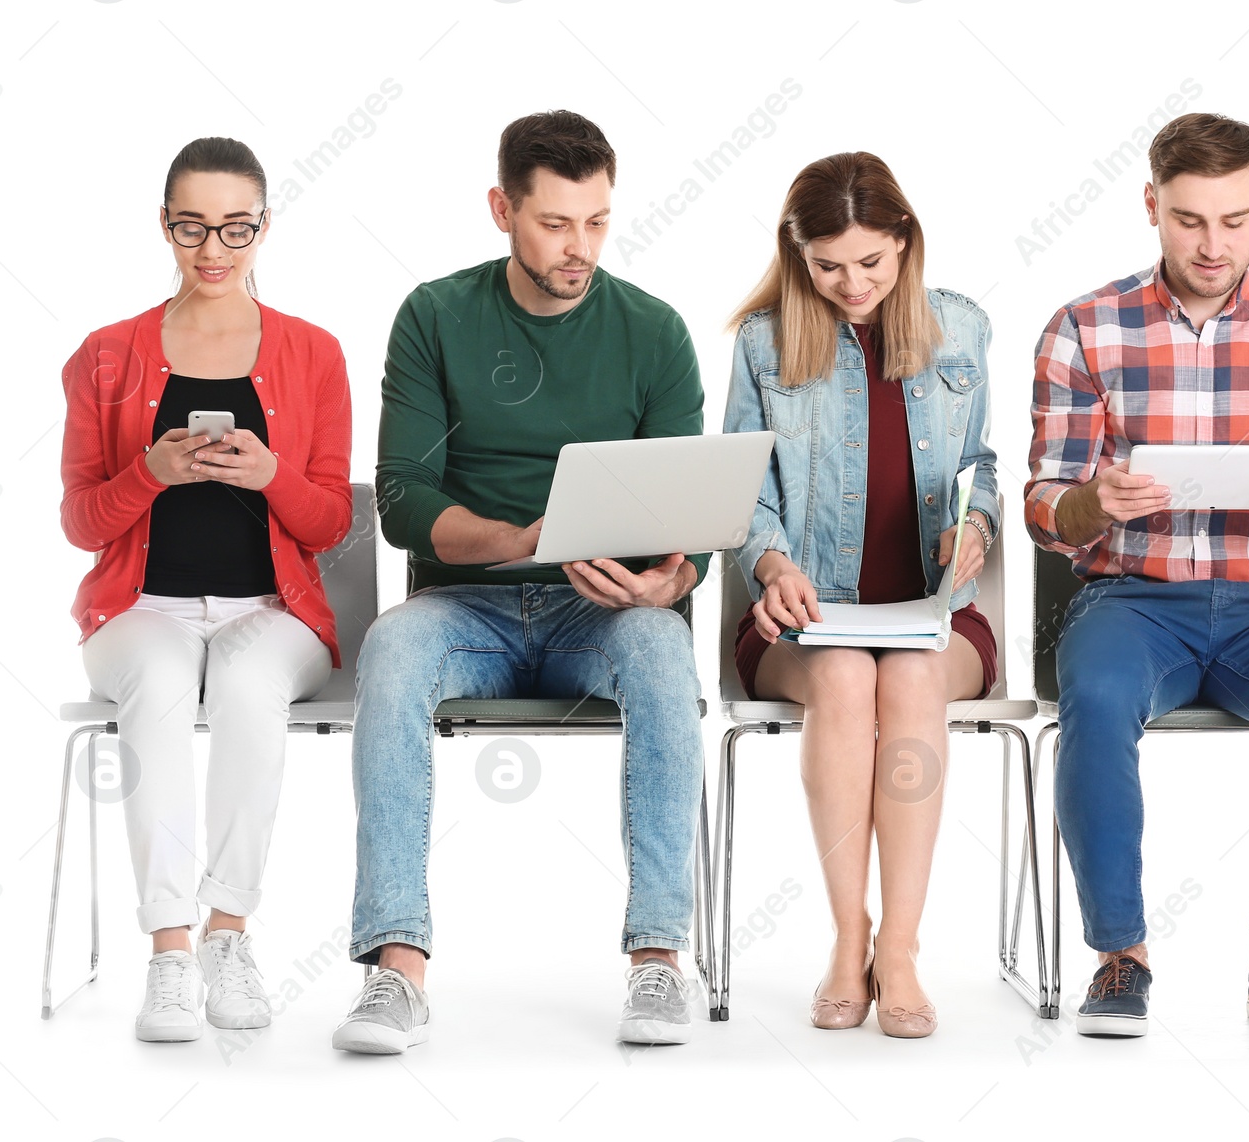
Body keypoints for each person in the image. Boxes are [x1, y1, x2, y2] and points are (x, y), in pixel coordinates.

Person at [332, 110, 709, 1054]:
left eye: (596, 222)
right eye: (554, 223)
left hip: (604, 611)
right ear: (503, 209)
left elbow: (694, 514)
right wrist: (514, 535)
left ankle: (658, 959)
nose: (578, 247)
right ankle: (397, 969)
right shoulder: (435, 314)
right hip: (468, 607)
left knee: (665, 649)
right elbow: (403, 497)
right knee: (390, 645)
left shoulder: (653, 331)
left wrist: (671, 581)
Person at [1025, 112, 1249, 1038]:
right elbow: (1044, 505)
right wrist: (1093, 503)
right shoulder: (1084, 328)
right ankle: (1120, 955)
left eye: (1233, 220)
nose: (1212, 244)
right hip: (1131, 598)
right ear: (1152, 206)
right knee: (1095, 699)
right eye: (1188, 220)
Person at [60, 137, 353, 1042]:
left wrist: (269, 474)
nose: (214, 249)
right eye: (193, 227)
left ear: (266, 225)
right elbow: (81, 524)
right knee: (154, 685)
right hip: (136, 609)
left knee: (244, 686)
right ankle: (171, 953)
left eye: (235, 227)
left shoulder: (313, 352)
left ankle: (229, 933)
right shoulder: (106, 357)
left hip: (274, 613)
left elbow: (332, 524)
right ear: (164, 226)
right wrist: (148, 473)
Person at [723, 153, 1000, 1038]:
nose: (852, 284)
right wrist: (771, 565)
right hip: (802, 621)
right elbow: (741, 491)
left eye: (872, 264)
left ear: (904, 244)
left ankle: (904, 950)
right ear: (796, 252)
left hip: (931, 619)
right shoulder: (765, 343)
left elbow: (980, 468)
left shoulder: (961, 329)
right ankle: (850, 942)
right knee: (846, 680)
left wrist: (978, 527)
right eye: (829, 265)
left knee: (909, 683)